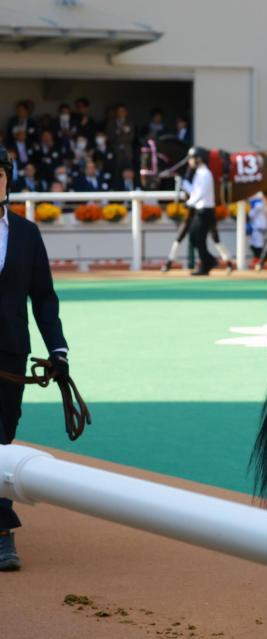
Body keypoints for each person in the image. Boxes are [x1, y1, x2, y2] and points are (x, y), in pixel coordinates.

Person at [0, 146, 70, 571]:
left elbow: (43, 297)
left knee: (3, 441)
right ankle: (4, 533)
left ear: (7, 180)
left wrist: (57, 348)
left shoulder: (26, 234)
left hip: (11, 353)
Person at [184, 147, 217, 275]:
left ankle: (206, 265)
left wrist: (190, 203)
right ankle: (209, 260)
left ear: (199, 159)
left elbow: (201, 193)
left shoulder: (204, 173)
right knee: (194, 237)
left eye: (191, 159)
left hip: (205, 211)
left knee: (199, 238)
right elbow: (195, 192)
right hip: (200, 210)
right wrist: (184, 184)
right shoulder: (199, 173)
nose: (190, 162)